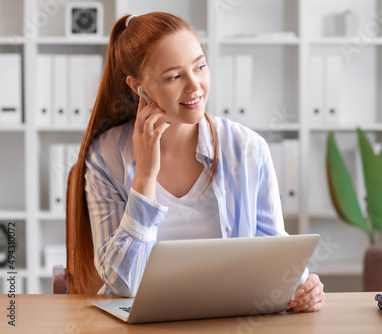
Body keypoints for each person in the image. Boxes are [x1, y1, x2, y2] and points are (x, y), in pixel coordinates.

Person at [72, 12, 324, 313]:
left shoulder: (246, 148)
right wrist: (145, 177)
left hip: (226, 320)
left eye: (200, 66)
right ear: (138, 87)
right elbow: (122, 282)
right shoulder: (107, 157)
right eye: (174, 76)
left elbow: (273, 249)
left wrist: (302, 283)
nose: (195, 87)